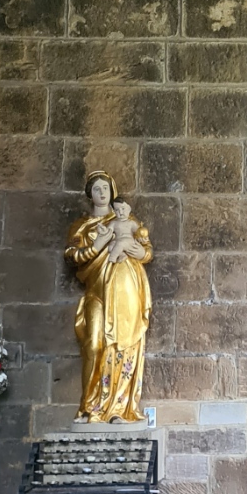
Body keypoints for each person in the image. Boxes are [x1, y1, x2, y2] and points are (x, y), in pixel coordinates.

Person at [64, 172, 153, 423]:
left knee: (122, 343)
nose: (102, 193)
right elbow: (72, 256)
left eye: (106, 188)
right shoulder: (82, 225)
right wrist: (97, 244)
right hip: (96, 291)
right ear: (89, 195)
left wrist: (141, 252)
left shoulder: (126, 219)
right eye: (96, 189)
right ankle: (89, 407)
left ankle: (118, 408)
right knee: (93, 344)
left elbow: (146, 250)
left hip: (124, 288)